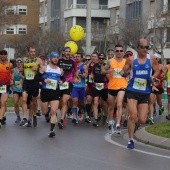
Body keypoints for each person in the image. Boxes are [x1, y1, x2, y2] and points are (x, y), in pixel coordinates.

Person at [120, 39, 159, 149]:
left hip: (145, 91)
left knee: (142, 119)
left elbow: (157, 70)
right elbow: (122, 71)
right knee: (133, 115)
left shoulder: (151, 59)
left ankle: (135, 125)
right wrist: (124, 73)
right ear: (138, 47)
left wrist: (152, 77)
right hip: (132, 90)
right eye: (143, 47)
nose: (145, 50)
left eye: (147, 48)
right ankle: (131, 139)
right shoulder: (131, 59)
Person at [35, 52, 64, 137]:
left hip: (55, 92)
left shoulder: (60, 70)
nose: (56, 59)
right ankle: (47, 110)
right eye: (54, 57)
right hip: (45, 91)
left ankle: (52, 130)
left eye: (57, 57)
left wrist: (62, 81)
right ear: (51, 59)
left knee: (54, 111)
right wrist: (44, 80)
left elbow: (62, 78)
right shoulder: (45, 68)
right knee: (44, 112)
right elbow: (36, 77)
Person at [101, 45, 127, 134]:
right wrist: (108, 71)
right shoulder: (110, 61)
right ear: (114, 52)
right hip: (112, 86)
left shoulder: (126, 61)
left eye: (121, 51)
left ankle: (118, 124)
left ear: (123, 52)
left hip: (122, 86)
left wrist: (126, 74)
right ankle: (110, 121)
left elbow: (130, 71)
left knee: (119, 104)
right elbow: (102, 71)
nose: (119, 52)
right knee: (111, 106)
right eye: (117, 51)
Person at [20, 47, 43, 127]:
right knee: (24, 99)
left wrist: (37, 68)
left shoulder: (38, 60)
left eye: (34, 51)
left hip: (34, 83)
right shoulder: (24, 60)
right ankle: (25, 118)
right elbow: (22, 69)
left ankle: (33, 116)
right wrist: (21, 75)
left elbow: (43, 70)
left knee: (33, 103)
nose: (33, 53)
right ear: (28, 53)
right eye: (31, 52)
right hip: (26, 82)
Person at [57, 47, 78, 129]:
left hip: (68, 83)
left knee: (65, 101)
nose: (68, 53)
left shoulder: (73, 61)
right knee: (60, 103)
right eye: (66, 51)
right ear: (63, 52)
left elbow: (76, 70)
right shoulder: (59, 60)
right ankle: (63, 114)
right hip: (59, 83)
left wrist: (74, 78)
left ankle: (61, 120)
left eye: (69, 51)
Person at [91, 53, 109, 127]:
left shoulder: (106, 66)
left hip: (104, 86)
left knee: (104, 103)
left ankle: (105, 116)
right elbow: (92, 73)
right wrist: (91, 76)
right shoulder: (95, 65)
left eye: (102, 58)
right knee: (95, 102)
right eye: (100, 58)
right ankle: (95, 119)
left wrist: (104, 71)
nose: (101, 59)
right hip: (95, 85)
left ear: (104, 59)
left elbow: (109, 76)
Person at [148, 53, 166, 124]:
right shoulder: (149, 66)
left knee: (159, 102)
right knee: (151, 101)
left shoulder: (160, 66)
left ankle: (161, 107)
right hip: (151, 86)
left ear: (158, 59)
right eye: (153, 58)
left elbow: (165, 76)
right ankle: (151, 117)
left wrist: (161, 78)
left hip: (158, 86)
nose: (154, 60)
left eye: (156, 58)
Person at [71, 52, 88, 124]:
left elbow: (87, 75)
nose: (76, 58)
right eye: (76, 56)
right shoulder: (72, 65)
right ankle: (75, 117)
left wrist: (82, 75)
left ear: (81, 58)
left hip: (81, 87)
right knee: (74, 101)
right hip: (74, 86)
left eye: (78, 56)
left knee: (81, 103)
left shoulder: (84, 66)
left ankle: (84, 112)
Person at [0, 50, 14, 128]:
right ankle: (3, 114)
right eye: (1, 54)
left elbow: (12, 72)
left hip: (6, 85)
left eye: (4, 54)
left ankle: (0, 119)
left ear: (7, 55)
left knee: (3, 102)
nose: (3, 55)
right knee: (1, 103)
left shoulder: (10, 64)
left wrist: (12, 80)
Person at [13, 58, 24, 123]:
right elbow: (12, 78)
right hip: (16, 88)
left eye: (20, 62)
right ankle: (18, 116)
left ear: (22, 63)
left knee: (22, 104)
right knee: (15, 102)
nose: (19, 63)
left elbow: (24, 78)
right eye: (17, 62)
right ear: (16, 63)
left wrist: (20, 74)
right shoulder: (13, 70)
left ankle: (24, 117)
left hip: (23, 88)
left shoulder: (24, 70)